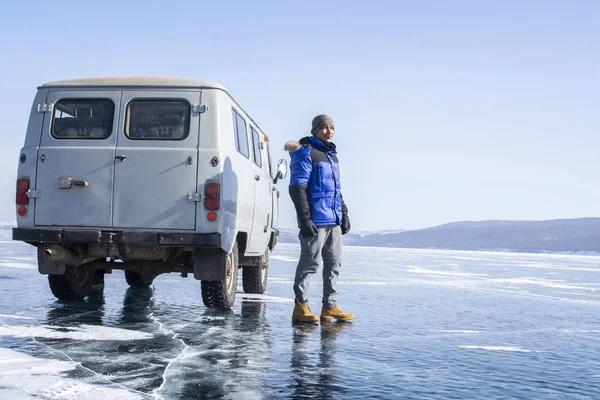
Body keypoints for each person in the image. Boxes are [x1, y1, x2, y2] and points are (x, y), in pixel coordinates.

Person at [284, 114, 355, 323]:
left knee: (334, 263)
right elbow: (297, 188)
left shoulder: (332, 156)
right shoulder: (306, 152)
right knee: (310, 263)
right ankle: (301, 306)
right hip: (316, 220)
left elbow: (336, 189)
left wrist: (344, 213)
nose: (329, 131)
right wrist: (305, 219)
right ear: (315, 130)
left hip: (333, 219)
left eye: (332, 127)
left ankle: (330, 307)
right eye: (324, 127)